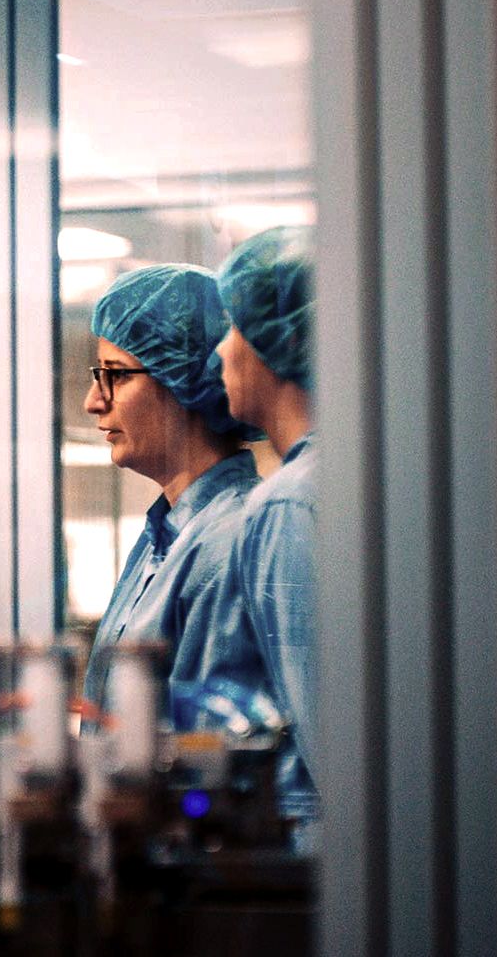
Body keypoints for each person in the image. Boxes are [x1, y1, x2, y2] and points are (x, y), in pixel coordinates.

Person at [79, 265, 268, 716]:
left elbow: (208, 748)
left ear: (188, 382)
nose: (93, 400)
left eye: (116, 374)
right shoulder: (166, 535)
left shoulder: (229, 543)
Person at [213, 225, 320, 829]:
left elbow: (328, 733)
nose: (220, 352)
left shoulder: (289, 506)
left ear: (272, 342)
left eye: (233, 329)